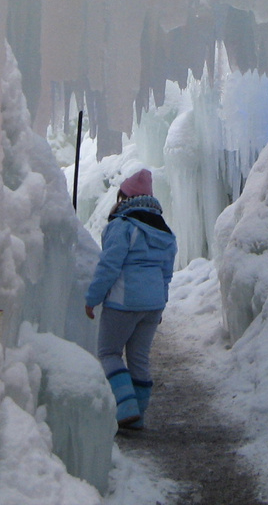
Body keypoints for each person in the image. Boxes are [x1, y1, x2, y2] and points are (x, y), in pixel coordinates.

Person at [85, 168, 177, 428]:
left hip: (123, 302)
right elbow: (166, 274)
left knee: (109, 352)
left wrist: (93, 297)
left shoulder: (122, 226)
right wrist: (160, 307)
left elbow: (109, 266)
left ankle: (126, 409)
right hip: (153, 305)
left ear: (124, 198)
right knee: (139, 358)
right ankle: (138, 415)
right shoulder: (165, 232)